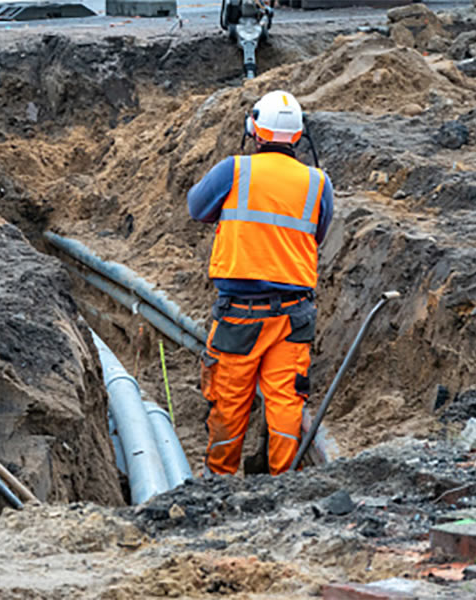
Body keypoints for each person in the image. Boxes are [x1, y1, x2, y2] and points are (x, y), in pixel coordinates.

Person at [183, 90, 334, 476]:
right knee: (286, 402)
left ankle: (220, 480)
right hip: (293, 316)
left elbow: (196, 208)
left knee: (229, 403)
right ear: (298, 137)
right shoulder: (318, 183)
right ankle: (286, 483)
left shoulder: (233, 171)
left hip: (240, 316)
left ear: (254, 130)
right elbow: (317, 233)